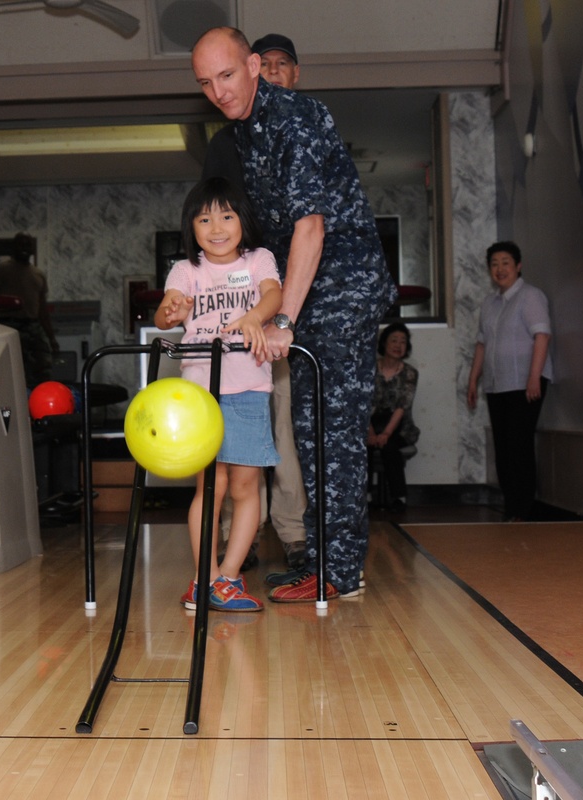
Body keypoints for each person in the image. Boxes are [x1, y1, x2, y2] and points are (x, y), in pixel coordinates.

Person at [191, 28, 397, 603]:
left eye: (227, 75)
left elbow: (310, 226)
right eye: (206, 83)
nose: (219, 91)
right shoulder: (246, 131)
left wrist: (284, 320)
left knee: (334, 433)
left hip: (342, 291)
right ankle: (327, 563)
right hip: (308, 294)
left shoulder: (296, 117)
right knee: (308, 435)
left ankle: (342, 572)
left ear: (254, 66)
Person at [154, 177, 282, 612]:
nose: (217, 227)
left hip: (247, 388)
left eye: (226, 216)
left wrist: (254, 318)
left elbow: (273, 295)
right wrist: (172, 310)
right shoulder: (186, 270)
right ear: (191, 227)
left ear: (242, 221)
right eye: (204, 218)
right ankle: (202, 579)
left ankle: (227, 579)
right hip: (199, 396)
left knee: (247, 486)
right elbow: (166, 309)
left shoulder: (259, 259)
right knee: (211, 486)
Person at [206, 33, 308, 572]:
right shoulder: (227, 143)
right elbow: (211, 220)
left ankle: (293, 533)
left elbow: (315, 227)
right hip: (238, 302)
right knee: (232, 425)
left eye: (280, 66)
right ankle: (235, 540)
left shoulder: (306, 129)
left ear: (295, 74)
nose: (270, 73)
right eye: (260, 66)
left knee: (282, 421)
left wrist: (283, 309)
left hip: (291, 296)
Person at [466, 241, 553, 521]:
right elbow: (482, 344)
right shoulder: (490, 303)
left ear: (518, 266)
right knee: (503, 449)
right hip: (496, 384)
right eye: (494, 264)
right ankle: (511, 506)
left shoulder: (530, 296)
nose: (499, 269)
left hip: (523, 383)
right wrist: (472, 380)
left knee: (519, 446)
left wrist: (533, 378)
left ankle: (522, 510)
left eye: (505, 262)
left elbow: (542, 336)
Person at [0, 233, 59, 388]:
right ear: (14, 248)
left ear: (33, 249)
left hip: (33, 327)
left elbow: (42, 309)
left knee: (42, 370)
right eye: (21, 244)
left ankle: (40, 406)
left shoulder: (38, 274)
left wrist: (51, 338)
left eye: (28, 245)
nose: (24, 248)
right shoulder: (1, 270)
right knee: (10, 372)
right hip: (9, 325)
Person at [367, 323, 420, 513]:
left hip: (399, 425)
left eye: (403, 342)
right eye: (394, 341)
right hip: (370, 423)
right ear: (384, 344)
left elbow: (402, 407)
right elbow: (363, 404)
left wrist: (386, 433)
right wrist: (371, 433)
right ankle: (365, 495)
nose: (398, 345)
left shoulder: (410, 373)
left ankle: (398, 496)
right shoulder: (369, 369)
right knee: (364, 445)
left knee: (390, 446)